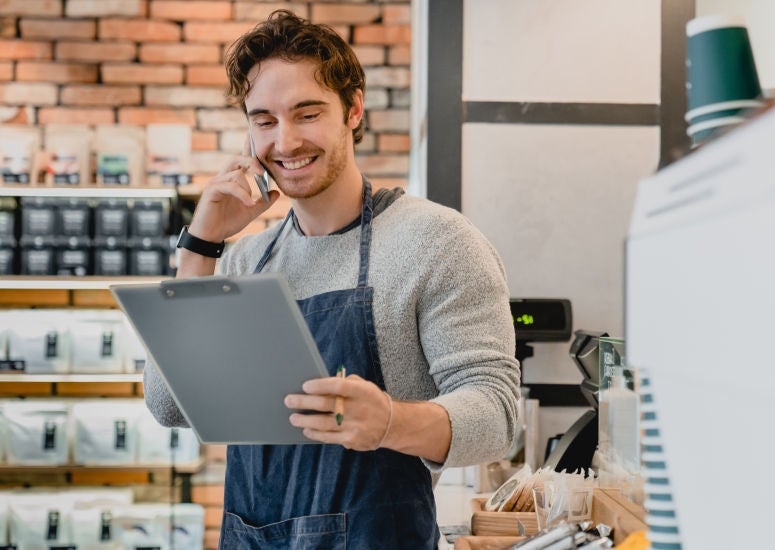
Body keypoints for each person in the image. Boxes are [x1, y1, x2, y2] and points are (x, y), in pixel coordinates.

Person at [143, 9, 520, 549]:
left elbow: (496, 413)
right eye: (264, 121)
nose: (286, 142)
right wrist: (200, 248)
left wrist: (390, 422)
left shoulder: (437, 241)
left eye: (307, 113)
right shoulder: (247, 262)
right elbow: (170, 405)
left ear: (353, 109)